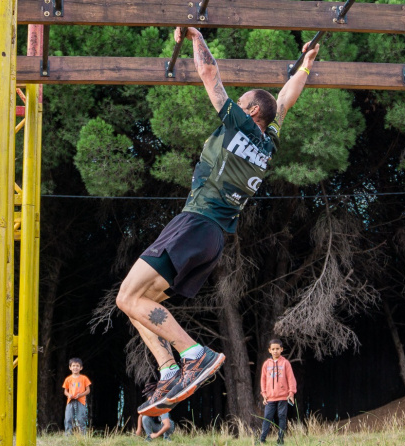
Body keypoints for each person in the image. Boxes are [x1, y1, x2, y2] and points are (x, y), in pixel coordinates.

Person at [115, 26, 320, 418]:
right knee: (137, 304)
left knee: (126, 297)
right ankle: (169, 369)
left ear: (252, 112)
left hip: (196, 221)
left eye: (243, 103)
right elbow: (284, 101)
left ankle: (194, 354)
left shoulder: (239, 123)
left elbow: (210, 74)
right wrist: (305, 66)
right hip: (213, 238)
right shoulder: (269, 143)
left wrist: (196, 35)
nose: (237, 104)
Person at [259, 339, 297, 444]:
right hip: (270, 397)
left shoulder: (285, 363)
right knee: (267, 417)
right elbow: (263, 380)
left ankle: (280, 440)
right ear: (269, 350)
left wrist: (291, 393)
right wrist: (264, 394)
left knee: (282, 417)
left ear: (281, 349)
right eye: (273, 349)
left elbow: (291, 379)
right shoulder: (266, 364)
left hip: (283, 396)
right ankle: (262, 439)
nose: (275, 351)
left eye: (277, 349)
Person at [62, 357, 92, 435]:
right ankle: (68, 436)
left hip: (81, 401)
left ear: (81, 368)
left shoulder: (84, 378)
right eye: (73, 366)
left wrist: (80, 395)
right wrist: (69, 395)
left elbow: (88, 390)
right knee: (68, 418)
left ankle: (82, 436)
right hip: (70, 401)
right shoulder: (68, 379)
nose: (75, 367)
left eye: (77, 366)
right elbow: (65, 391)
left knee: (81, 419)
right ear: (70, 367)